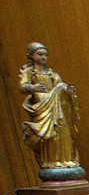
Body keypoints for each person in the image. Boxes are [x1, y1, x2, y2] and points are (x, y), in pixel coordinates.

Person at [18, 42, 81, 178]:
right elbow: (22, 87)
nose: (43, 57)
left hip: (56, 107)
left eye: (45, 55)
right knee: (49, 135)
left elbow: (59, 85)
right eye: (39, 54)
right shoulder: (29, 72)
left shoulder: (51, 73)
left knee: (61, 130)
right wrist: (32, 88)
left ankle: (65, 160)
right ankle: (51, 161)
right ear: (31, 55)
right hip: (42, 105)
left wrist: (66, 89)